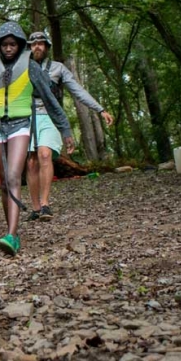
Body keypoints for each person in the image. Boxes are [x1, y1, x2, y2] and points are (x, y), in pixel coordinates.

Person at [0, 22, 73, 256]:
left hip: (20, 126)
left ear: (20, 46)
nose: (8, 48)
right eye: (4, 44)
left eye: (13, 44)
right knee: (4, 182)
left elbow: (51, 101)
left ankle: (11, 235)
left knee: (13, 177)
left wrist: (65, 130)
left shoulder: (31, 68)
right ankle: (12, 231)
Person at [25, 31, 114, 222]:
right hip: (28, 117)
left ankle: (45, 204)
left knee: (45, 154)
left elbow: (77, 91)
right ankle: (34, 208)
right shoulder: (24, 68)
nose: (37, 47)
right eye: (33, 44)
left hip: (50, 117)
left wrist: (100, 109)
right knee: (31, 161)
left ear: (47, 47)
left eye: (41, 43)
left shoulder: (58, 68)